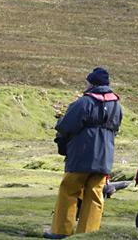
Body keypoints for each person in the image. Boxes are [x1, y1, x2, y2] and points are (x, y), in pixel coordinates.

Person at [45, 67, 122, 239]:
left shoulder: (84, 102)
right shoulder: (116, 105)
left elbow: (65, 125)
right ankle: (88, 234)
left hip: (81, 155)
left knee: (69, 190)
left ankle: (60, 231)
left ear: (92, 83)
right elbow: (116, 128)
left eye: (87, 82)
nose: (85, 85)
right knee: (95, 194)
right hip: (104, 158)